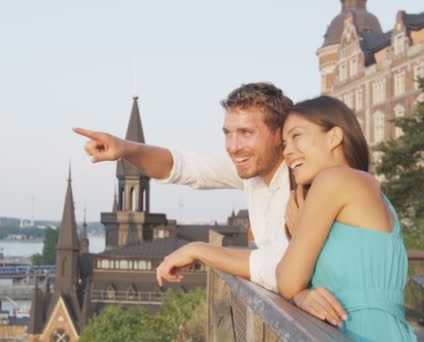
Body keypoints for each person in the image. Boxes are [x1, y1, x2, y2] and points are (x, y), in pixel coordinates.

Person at [73, 83, 348, 325]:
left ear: (279, 134)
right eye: (227, 133)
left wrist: (198, 250)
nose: (233, 145)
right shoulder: (253, 169)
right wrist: (126, 149)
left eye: (245, 132)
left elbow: (281, 267)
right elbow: (187, 168)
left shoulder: (304, 182)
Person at [276, 95, 416, 341]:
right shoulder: (369, 189)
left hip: (363, 331)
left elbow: (287, 281)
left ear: (334, 137)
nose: (287, 150)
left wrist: (298, 237)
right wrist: (301, 294)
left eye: (296, 136)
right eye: (284, 143)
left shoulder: (334, 180)